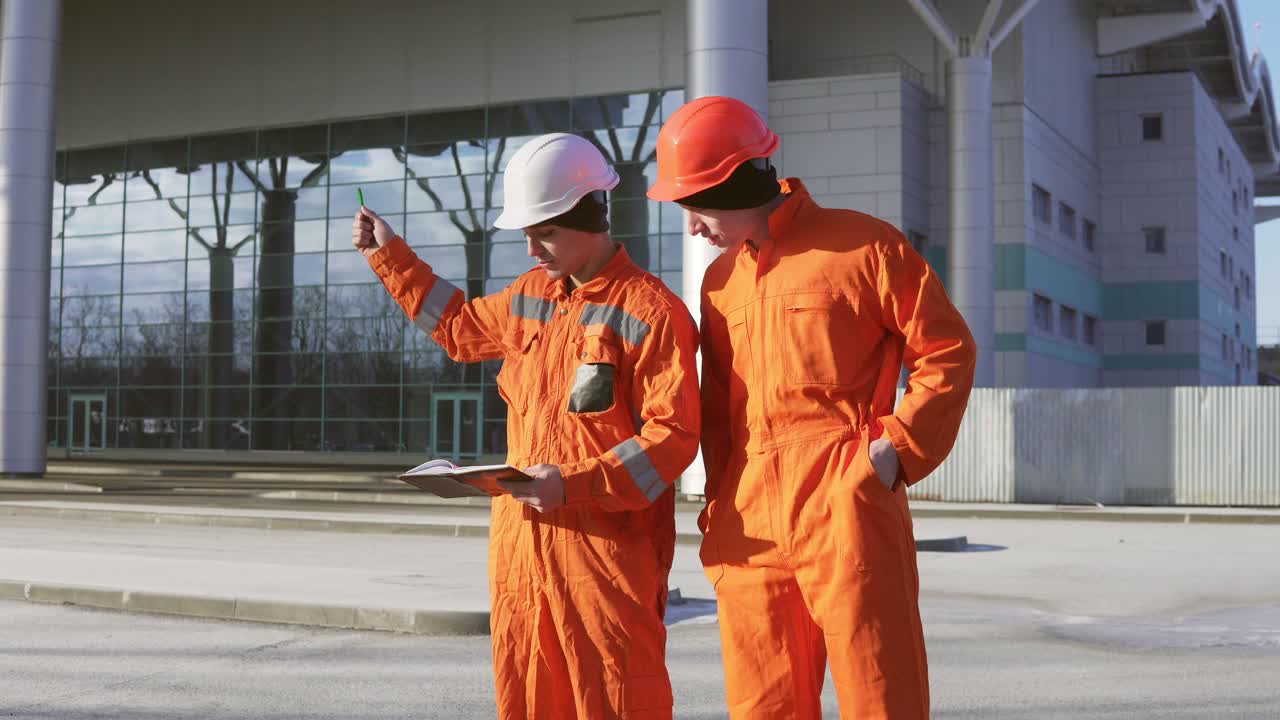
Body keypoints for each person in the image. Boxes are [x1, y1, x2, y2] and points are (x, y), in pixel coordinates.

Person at [647, 96, 977, 719]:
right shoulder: (719, 284)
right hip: (750, 527)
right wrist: (719, 507)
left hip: (846, 513)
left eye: (693, 205)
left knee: (881, 698)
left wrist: (894, 453)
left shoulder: (864, 247)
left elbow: (947, 351)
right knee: (762, 708)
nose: (690, 226)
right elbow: (720, 413)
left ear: (732, 181)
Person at [354, 132, 700, 719]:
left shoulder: (652, 312)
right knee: (527, 695)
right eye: (527, 233)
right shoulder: (529, 296)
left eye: (545, 233)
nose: (533, 248)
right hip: (521, 548)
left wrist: (574, 484)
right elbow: (460, 326)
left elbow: (671, 440)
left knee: (617, 697)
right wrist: (390, 255)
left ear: (590, 217)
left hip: (604, 553)